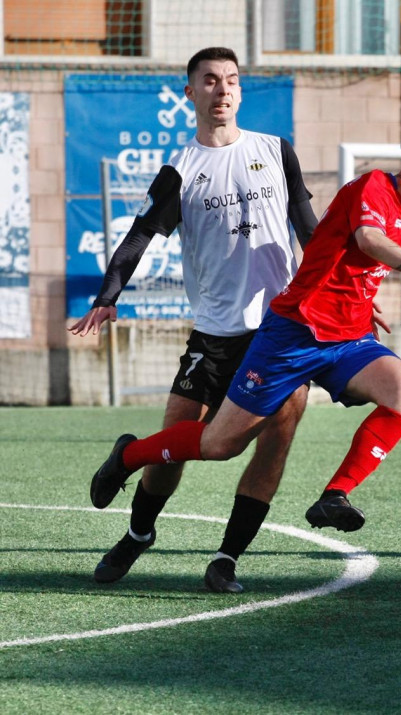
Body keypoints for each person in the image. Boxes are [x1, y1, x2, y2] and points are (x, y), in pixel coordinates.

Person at [88, 113, 401, 583]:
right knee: (218, 444)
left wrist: (364, 300)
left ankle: (329, 498)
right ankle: (129, 457)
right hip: (292, 334)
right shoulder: (374, 186)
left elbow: (338, 252)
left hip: (347, 338)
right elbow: (367, 239)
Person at [69, 47, 318, 593]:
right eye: (209, 81)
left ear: (240, 91)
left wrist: (340, 291)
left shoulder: (276, 151)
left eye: (231, 80)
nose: (222, 90)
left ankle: (227, 558)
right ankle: (137, 534)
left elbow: (309, 228)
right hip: (214, 334)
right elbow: (139, 236)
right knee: (176, 443)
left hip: (279, 332)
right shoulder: (181, 170)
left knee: (277, 439)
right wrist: (108, 295)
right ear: (191, 93)